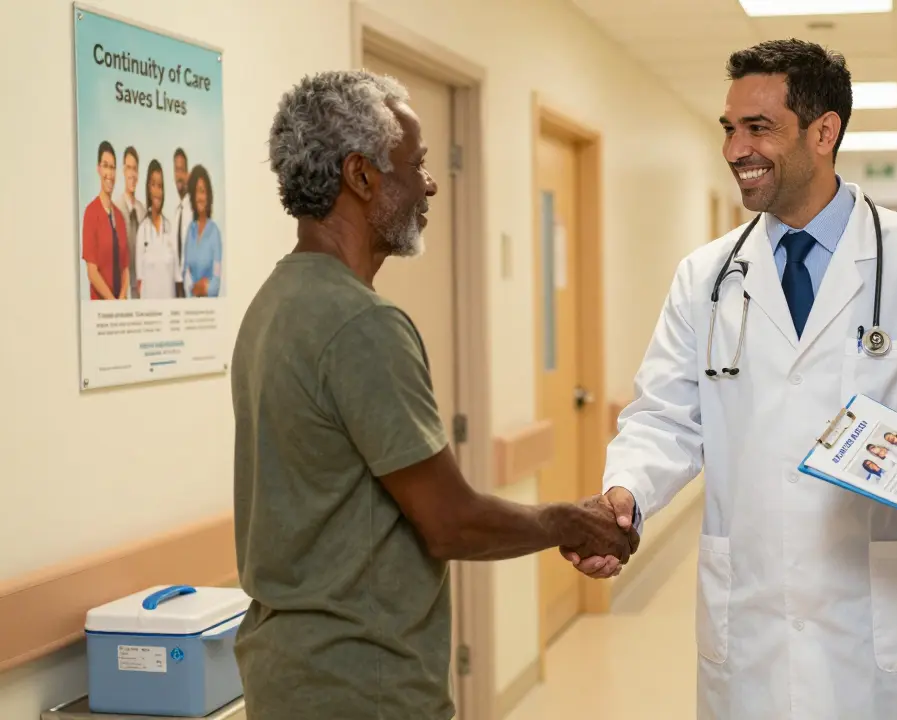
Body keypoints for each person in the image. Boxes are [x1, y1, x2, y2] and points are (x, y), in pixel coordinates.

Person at [564, 39, 897, 719]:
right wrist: (624, 497)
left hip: (877, 626)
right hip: (751, 630)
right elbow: (665, 417)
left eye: (758, 128)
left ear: (824, 131)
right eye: (728, 128)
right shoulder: (706, 277)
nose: (734, 148)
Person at [231, 70, 638, 720]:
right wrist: (568, 521)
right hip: (363, 686)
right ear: (361, 177)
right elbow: (450, 522)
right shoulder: (362, 325)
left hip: (288, 676)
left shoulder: (275, 304)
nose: (428, 182)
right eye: (415, 164)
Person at [82, 141, 129, 301]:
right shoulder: (91, 213)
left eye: (113, 167)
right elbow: (92, 272)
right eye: (105, 166)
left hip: (120, 308)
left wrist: (122, 298)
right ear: (98, 169)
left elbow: (125, 268)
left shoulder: (120, 218)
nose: (109, 172)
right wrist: (112, 302)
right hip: (101, 311)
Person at [135, 160, 181, 300]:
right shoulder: (142, 231)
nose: (157, 191)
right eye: (153, 185)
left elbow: (177, 278)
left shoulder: (170, 228)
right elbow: (139, 283)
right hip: (151, 316)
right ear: (148, 188)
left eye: (160, 186)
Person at [183, 164, 222, 297]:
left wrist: (205, 289)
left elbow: (216, 284)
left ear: (209, 195)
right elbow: (185, 274)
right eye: (196, 192)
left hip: (210, 312)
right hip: (191, 309)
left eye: (203, 191)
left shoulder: (214, 233)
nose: (200, 197)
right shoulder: (190, 231)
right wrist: (197, 287)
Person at [116, 146, 143, 298]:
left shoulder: (143, 211)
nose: (132, 173)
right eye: (128, 168)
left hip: (142, 293)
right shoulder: (116, 209)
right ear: (123, 171)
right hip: (123, 293)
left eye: (135, 169)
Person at [172, 147, 191, 297]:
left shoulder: (195, 210)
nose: (179, 175)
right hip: (178, 291)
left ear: (188, 174)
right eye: (176, 170)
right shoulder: (176, 213)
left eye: (181, 170)